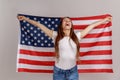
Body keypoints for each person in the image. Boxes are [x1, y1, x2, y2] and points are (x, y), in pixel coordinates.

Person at [17, 15, 112, 80]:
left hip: (73, 71)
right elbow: (39, 25)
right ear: (61, 25)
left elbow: (92, 26)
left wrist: (105, 20)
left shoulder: (77, 36)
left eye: (69, 21)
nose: (68, 21)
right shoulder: (55, 35)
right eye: (65, 20)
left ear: (71, 25)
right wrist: (25, 19)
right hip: (58, 72)